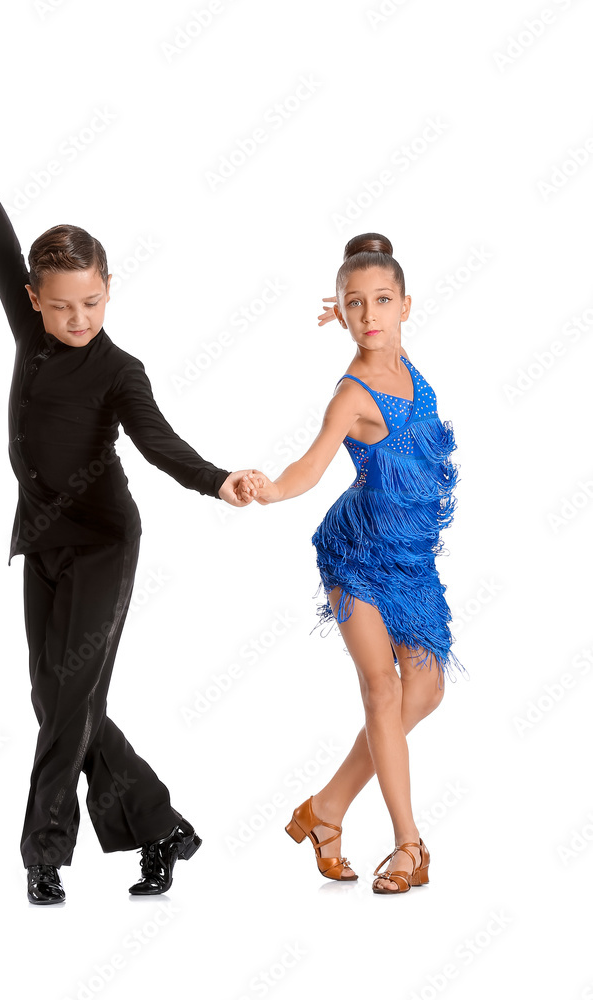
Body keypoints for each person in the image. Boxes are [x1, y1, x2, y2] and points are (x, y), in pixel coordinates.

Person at [0, 142, 257, 904]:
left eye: (92, 304)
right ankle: (161, 826)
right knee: (57, 698)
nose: (77, 320)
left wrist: (218, 480)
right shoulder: (31, 329)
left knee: (69, 701)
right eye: (62, 305)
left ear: (110, 292)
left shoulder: (119, 370)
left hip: (104, 542)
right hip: (42, 540)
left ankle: (44, 854)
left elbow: (159, 441)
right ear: (35, 299)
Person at [237, 233, 466, 894]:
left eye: (381, 301)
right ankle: (409, 847)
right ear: (338, 315)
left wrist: (351, 284)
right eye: (354, 305)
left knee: (426, 690)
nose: (370, 314)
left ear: (405, 306)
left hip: (410, 559)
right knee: (383, 691)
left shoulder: (403, 361)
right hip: (357, 555)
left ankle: (325, 810)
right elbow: (310, 465)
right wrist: (271, 488)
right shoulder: (352, 395)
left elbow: (373, 301)